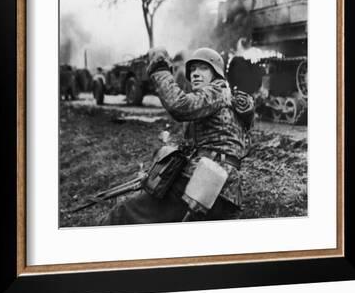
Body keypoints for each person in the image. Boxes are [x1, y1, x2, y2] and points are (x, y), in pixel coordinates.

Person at [100, 46, 254, 225]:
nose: (195, 73)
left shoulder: (217, 91)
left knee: (122, 213)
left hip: (204, 184)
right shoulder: (232, 102)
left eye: (203, 68)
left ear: (217, 74)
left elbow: (179, 106)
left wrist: (159, 69)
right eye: (193, 69)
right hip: (228, 193)